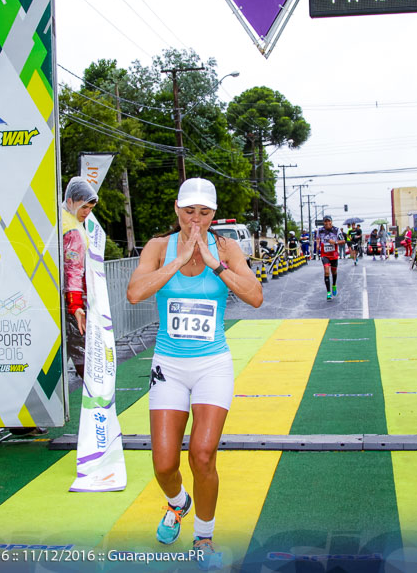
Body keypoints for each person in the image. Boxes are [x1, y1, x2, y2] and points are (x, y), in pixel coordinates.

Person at [126, 178, 262, 570]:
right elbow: (135, 293)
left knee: (202, 455)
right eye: (189, 212)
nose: (196, 221)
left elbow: (255, 297)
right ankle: (178, 503)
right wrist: (179, 259)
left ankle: (204, 536)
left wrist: (214, 262)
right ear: (177, 210)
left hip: (211, 365)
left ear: (213, 214)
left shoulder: (227, 247)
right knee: (164, 464)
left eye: (204, 213)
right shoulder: (158, 247)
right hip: (169, 365)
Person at [62, 176, 99, 381]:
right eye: (84, 207)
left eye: (90, 209)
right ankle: (93, 397)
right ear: (70, 202)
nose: (87, 212)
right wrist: (76, 305)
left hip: (59, 297)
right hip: (71, 301)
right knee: (81, 351)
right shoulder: (73, 230)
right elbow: (73, 270)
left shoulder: (61, 219)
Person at [315, 214, 345, 300]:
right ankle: (328, 292)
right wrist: (317, 245)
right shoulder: (320, 230)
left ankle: (334, 285)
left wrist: (334, 242)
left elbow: (343, 241)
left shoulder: (336, 230)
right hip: (325, 254)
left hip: (334, 254)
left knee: (334, 272)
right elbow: (317, 239)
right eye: (325, 221)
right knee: (326, 271)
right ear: (323, 222)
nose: (327, 223)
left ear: (331, 221)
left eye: (329, 221)